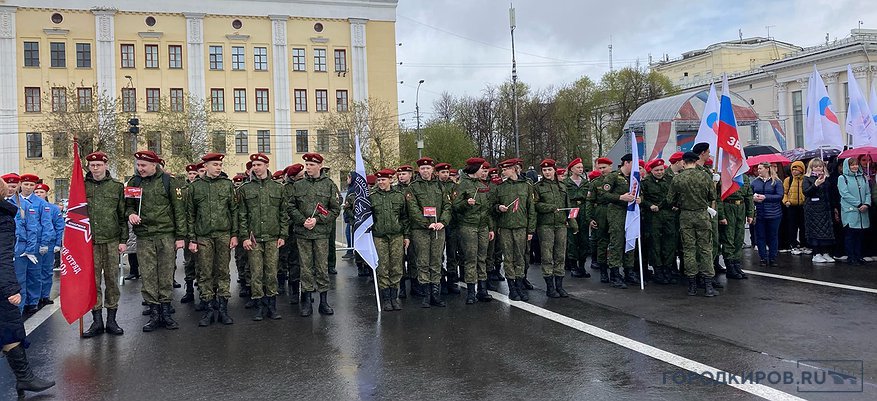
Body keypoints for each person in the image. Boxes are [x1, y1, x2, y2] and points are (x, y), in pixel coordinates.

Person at [0, 177, 55, 398]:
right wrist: (11, 288)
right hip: (2, 285)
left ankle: (25, 377)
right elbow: (2, 257)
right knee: (9, 326)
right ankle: (25, 378)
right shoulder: (4, 216)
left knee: (9, 328)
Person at [126, 150, 186, 332]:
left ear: (154, 165)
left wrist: (180, 237)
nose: (140, 168)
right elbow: (127, 205)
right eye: (138, 165)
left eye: (143, 165)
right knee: (148, 274)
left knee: (166, 273)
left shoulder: (169, 182)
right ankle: (154, 313)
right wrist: (131, 214)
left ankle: (166, 313)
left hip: (166, 234)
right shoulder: (134, 182)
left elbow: (179, 210)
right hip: (144, 236)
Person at [81, 152, 128, 337]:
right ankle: (97, 321)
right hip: (89, 242)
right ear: (88, 167)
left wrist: (123, 240)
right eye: (92, 166)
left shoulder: (116, 187)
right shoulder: (82, 187)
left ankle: (111, 320)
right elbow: (75, 216)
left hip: (111, 240)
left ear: (105, 166)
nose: (96, 168)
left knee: (111, 281)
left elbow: (123, 215)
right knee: (93, 283)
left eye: (99, 165)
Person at [187, 153, 237, 326]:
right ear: (206, 166)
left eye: (220, 165)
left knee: (223, 272)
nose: (218, 168)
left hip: (223, 234)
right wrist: (192, 239)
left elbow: (234, 211)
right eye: (215, 164)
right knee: (205, 272)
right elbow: (190, 215)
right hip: (203, 236)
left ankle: (223, 309)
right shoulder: (195, 187)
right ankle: (209, 308)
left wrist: (234, 234)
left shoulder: (227, 185)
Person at [238, 153, 288, 321]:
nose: (255, 168)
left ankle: (272, 306)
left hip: (273, 237)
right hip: (254, 239)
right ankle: (259, 306)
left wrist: (283, 234)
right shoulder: (245, 189)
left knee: (271, 273)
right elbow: (242, 215)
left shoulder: (278, 188)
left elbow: (283, 214)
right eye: (253, 165)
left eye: (259, 164)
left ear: (266, 165)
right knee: (256, 273)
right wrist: (244, 236)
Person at [290, 153, 341, 316]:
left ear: (320, 166)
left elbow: (335, 209)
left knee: (321, 267)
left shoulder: (329, 185)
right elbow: (291, 207)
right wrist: (302, 220)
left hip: (320, 234)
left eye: (312, 165)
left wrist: (317, 220)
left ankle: (324, 302)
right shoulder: (298, 185)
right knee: (305, 268)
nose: (308, 167)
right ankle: (306, 301)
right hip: (303, 233)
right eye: (307, 165)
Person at [666, 152, 718, 297]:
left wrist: (679, 203)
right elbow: (712, 196)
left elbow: (670, 200)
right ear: (695, 161)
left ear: (684, 162)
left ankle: (692, 286)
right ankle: (708, 286)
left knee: (689, 250)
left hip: (686, 216)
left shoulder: (678, 179)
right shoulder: (704, 176)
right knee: (705, 249)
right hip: (702, 215)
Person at [405, 157, 452, 308]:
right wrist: (426, 224)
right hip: (421, 230)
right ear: (418, 170)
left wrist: (442, 222)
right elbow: (412, 209)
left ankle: (435, 295)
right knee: (423, 262)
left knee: (436, 261)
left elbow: (447, 206)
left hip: (439, 229)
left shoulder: (441, 187)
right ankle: (426, 295)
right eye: (422, 168)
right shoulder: (413, 187)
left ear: (433, 170)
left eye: (428, 168)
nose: (425, 171)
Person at [492, 159, 536, 301]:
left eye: (505, 169)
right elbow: (492, 206)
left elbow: (531, 209)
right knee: (508, 258)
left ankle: (519, 285)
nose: (503, 172)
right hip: (505, 227)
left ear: (514, 169)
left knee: (520, 257)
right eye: (502, 170)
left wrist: (531, 230)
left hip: (521, 227)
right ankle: (512, 289)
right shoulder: (500, 187)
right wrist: (499, 208)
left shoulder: (526, 186)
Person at [452, 158, 495, 304]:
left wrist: (490, 228)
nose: (483, 171)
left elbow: (487, 209)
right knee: (471, 258)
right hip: (468, 226)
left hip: (482, 226)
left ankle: (482, 290)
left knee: (482, 258)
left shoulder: (481, 185)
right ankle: (471, 291)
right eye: (481, 168)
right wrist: (466, 203)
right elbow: (455, 206)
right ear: (474, 169)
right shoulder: (462, 184)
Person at [533, 159, 577, 298]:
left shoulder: (562, 186)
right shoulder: (537, 187)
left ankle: (559, 286)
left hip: (560, 224)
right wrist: (549, 208)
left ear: (554, 170)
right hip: (545, 225)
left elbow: (568, 206)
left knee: (560, 255)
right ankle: (550, 287)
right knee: (547, 256)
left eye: (549, 170)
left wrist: (573, 223)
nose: (547, 172)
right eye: (544, 170)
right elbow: (535, 205)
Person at [370, 169, 409, 311]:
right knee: (383, 267)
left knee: (397, 267)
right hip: (379, 237)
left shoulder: (399, 196)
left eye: (383, 180)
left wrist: (406, 236)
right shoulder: (372, 196)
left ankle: (394, 297)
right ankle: (386, 298)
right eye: (379, 180)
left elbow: (405, 217)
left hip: (396, 236)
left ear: (390, 180)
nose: (380, 182)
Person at [17, 174, 54, 316]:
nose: (28, 187)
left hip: (36, 244)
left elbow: (46, 224)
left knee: (34, 274)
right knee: (20, 276)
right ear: (21, 185)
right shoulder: (15, 201)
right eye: (26, 184)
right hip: (20, 244)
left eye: (31, 185)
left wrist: (45, 243)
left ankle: (33, 301)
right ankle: (22, 301)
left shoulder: (41, 203)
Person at [601, 154, 640, 289]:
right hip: (617, 213)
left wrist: (641, 199)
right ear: (627, 163)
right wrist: (620, 197)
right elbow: (604, 195)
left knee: (630, 241)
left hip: (631, 213)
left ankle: (629, 271)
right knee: (617, 243)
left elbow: (640, 193)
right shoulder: (613, 177)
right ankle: (615, 273)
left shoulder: (634, 178)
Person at [641, 159, 677, 284]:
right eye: (657, 170)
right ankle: (658, 271)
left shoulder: (670, 180)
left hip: (668, 215)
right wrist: (649, 205)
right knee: (655, 243)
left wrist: (667, 205)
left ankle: (668, 270)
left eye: (661, 169)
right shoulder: (645, 182)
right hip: (653, 216)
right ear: (651, 171)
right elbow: (641, 199)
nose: (660, 172)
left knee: (669, 243)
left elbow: (673, 196)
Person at [717, 164, 754, 280]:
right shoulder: (724, 177)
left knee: (739, 237)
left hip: (741, 207)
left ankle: (736, 264)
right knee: (729, 238)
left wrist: (750, 213)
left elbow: (749, 196)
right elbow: (719, 198)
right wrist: (721, 215)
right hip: (728, 206)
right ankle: (730, 266)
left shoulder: (745, 178)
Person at [32, 184, 64, 308]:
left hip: (49, 244)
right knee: (34, 272)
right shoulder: (30, 206)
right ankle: (34, 297)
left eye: (41, 192)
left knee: (46, 271)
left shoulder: (53, 209)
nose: (39, 194)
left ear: (46, 194)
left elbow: (59, 226)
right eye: (36, 192)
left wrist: (57, 244)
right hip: (34, 243)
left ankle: (45, 295)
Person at [837, 157, 871, 265]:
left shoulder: (863, 177)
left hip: (863, 211)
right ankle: (851, 257)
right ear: (848, 166)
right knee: (850, 235)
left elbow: (867, 193)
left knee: (860, 235)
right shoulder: (842, 178)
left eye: (856, 164)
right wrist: (858, 204)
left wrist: (866, 204)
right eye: (852, 165)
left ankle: (858, 255)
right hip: (850, 211)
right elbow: (844, 194)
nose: (855, 167)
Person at [802, 158, 836, 263]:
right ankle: (816, 253)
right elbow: (806, 192)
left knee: (826, 231)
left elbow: (830, 192)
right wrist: (815, 184)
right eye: (815, 166)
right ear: (811, 168)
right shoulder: (807, 178)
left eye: (820, 166)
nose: (818, 168)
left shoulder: (827, 178)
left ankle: (825, 252)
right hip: (813, 209)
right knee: (815, 231)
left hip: (825, 208)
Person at [586, 157, 614, 283]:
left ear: (610, 167)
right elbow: (590, 202)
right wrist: (590, 218)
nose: (602, 170)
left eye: (604, 167)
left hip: (616, 212)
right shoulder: (595, 183)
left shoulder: (618, 180)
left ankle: (615, 271)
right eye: (600, 168)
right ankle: (603, 272)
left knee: (616, 243)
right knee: (602, 243)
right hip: (601, 214)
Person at [751, 162, 784, 267]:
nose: (758, 170)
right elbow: (749, 194)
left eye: (760, 168)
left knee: (773, 236)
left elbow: (780, 196)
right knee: (760, 236)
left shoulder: (776, 182)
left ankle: (773, 257)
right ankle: (763, 258)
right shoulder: (755, 182)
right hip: (760, 213)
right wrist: (753, 198)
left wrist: (766, 197)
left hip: (774, 213)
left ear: (767, 169)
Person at [564, 158, 591, 278]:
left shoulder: (586, 182)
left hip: (584, 210)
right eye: (578, 167)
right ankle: (573, 266)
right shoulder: (566, 183)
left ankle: (582, 266)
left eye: (581, 167)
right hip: (572, 209)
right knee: (572, 239)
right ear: (571, 169)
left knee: (584, 239)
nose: (580, 169)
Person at [281, 163, 304, 303]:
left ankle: (305, 290)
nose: (303, 178)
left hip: (305, 228)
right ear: (293, 177)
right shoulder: (285, 189)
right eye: (300, 176)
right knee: (293, 261)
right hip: (291, 229)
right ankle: (294, 291)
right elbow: (284, 209)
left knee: (306, 262)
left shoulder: (307, 185)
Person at [180, 164, 201, 305]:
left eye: (195, 173)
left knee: (203, 263)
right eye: (190, 174)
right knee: (189, 261)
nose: (192, 176)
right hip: (188, 231)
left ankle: (203, 292)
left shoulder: (201, 187)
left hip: (202, 231)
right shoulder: (182, 190)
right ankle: (189, 291)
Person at [783, 161, 809, 255]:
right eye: (793, 169)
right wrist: (786, 201)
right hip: (791, 206)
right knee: (792, 227)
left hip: (803, 206)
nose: (794, 171)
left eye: (796, 169)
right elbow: (784, 193)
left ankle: (804, 245)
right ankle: (793, 245)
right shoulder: (788, 180)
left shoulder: (805, 179)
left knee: (803, 226)